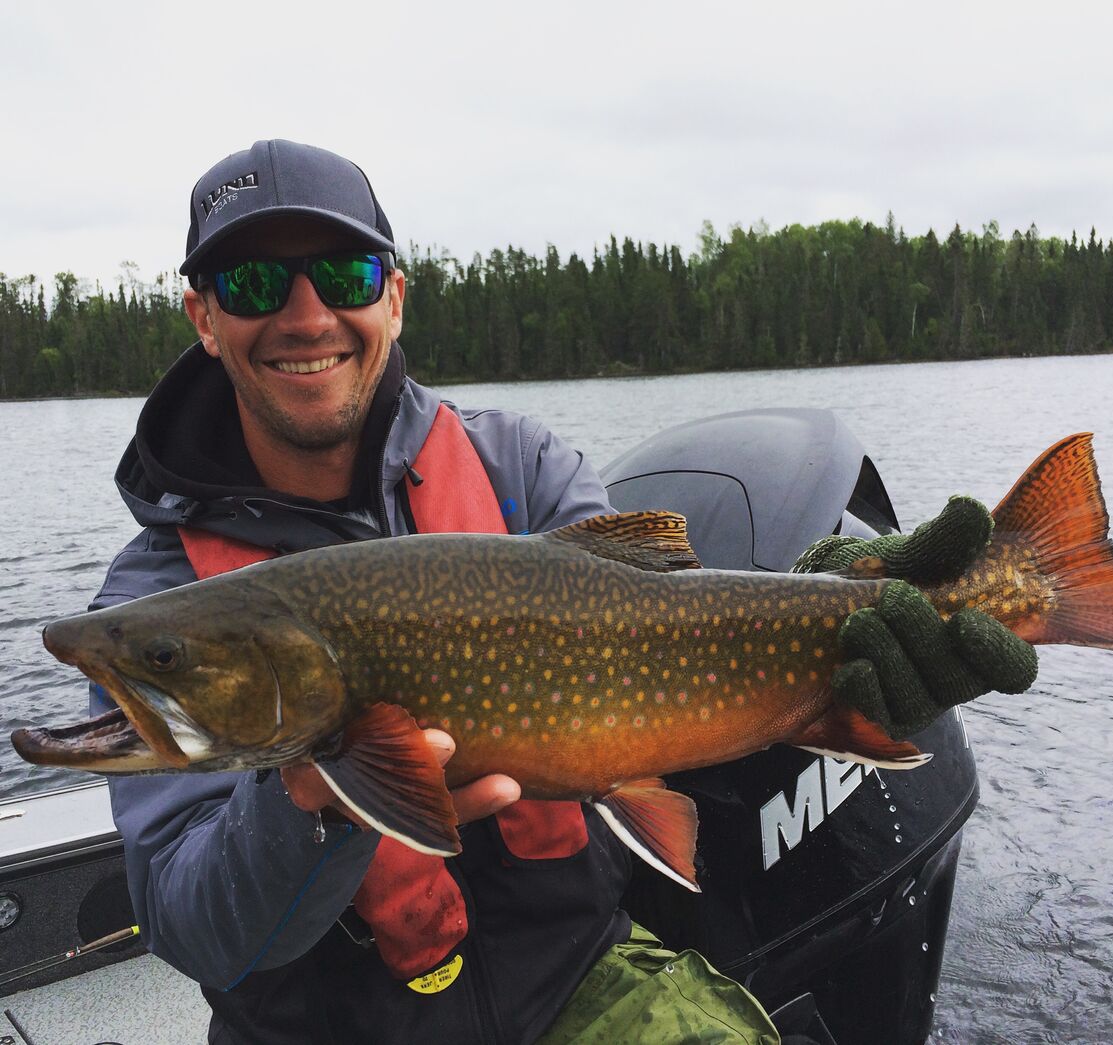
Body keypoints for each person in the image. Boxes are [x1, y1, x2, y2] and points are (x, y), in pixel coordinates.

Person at [90, 139, 1036, 1044]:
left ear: (396, 299)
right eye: (254, 283)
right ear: (203, 318)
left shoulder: (516, 468)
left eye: (345, 277)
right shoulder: (157, 604)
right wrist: (316, 803)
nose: (306, 316)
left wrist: (836, 607)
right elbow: (192, 924)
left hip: (572, 984)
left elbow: (674, 615)